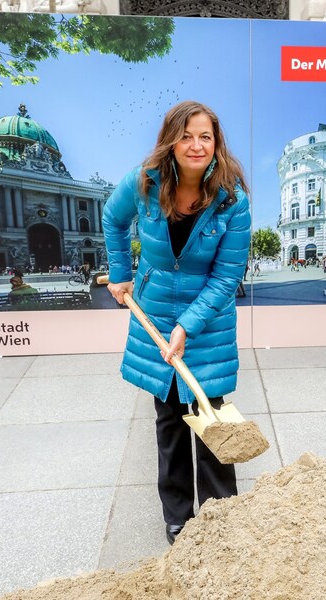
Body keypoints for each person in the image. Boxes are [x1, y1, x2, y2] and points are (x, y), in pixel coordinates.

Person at [103, 101, 251, 545]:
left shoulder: (232, 198)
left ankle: (222, 511)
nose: (196, 145)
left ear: (216, 142)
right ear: (171, 139)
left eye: (205, 136)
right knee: (169, 420)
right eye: (186, 135)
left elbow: (227, 277)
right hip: (154, 312)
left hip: (207, 323)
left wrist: (188, 326)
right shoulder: (145, 181)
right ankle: (178, 515)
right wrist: (119, 271)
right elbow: (113, 218)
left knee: (210, 413)